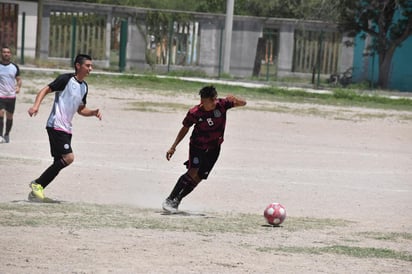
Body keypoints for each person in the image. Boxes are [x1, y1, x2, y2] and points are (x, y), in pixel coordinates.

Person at [27, 54, 102, 202]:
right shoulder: (66, 79)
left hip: (66, 128)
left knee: (58, 162)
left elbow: (81, 110)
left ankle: (36, 192)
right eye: (87, 65)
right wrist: (36, 106)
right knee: (68, 158)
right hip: (56, 125)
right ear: (78, 66)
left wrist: (92, 112)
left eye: (91, 66)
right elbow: (45, 90)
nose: (90, 69)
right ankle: (37, 184)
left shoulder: (84, 87)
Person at [162, 85, 246, 212]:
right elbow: (185, 128)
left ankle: (177, 200)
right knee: (192, 172)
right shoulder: (194, 112)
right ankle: (169, 199)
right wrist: (173, 147)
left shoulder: (223, 104)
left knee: (199, 177)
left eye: (205, 101)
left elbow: (244, 103)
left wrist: (236, 99)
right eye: (201, 100)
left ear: (214, 100)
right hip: (198, 146)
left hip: (214, 148)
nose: (202, 104)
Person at [0, 46, 22, 143]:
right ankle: (0, 135)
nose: (6, 54)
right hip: (1, 95)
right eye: (4, 52)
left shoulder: (14, 67)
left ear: (10, 54)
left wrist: (18, 87)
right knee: (0, 114)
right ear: (1, 54)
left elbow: (19, 79)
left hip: (11, 96)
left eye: (8, 52)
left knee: (9, 116)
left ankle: (7, 134)